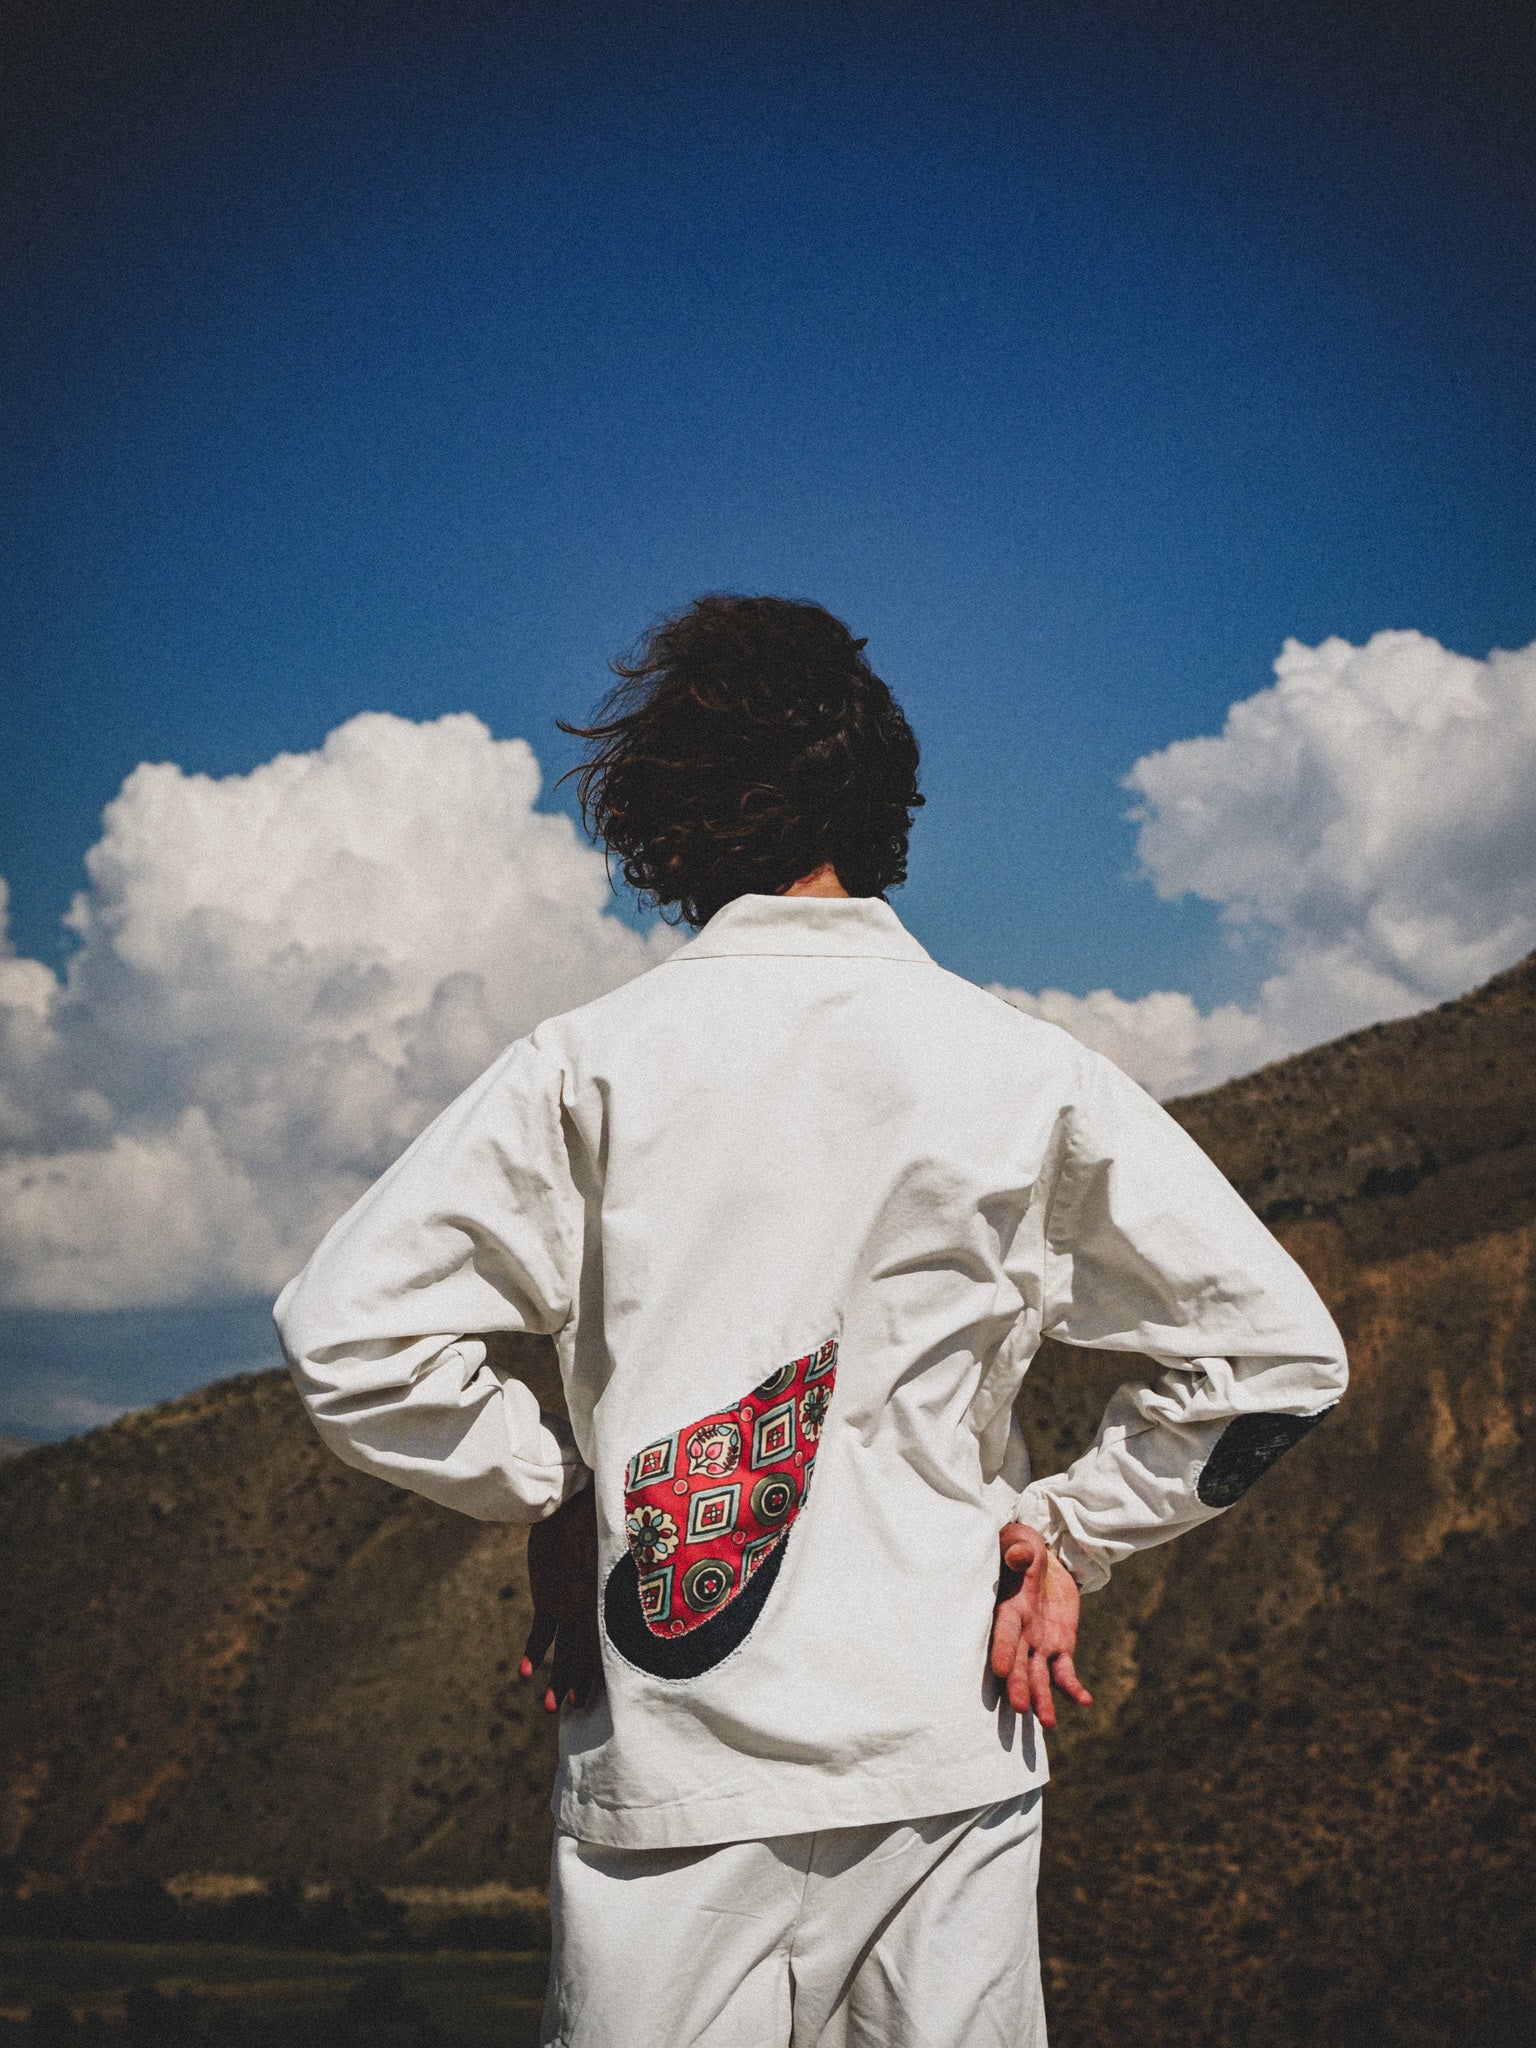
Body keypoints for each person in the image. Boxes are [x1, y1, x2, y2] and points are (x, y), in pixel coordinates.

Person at [275, 594, 1347, 2047]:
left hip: (675, 1777)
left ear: (663, 818)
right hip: (944, 1754)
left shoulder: (585, 1068)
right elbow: (1275, 1359)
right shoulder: (1028, 1074)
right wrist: (1071, 1532)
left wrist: (555, 1499)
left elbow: (349, 1337)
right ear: (885, 800)